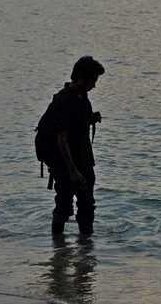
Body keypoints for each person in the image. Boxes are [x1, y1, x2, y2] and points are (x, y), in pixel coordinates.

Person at [37, 56, 104, 235]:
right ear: (81, 78)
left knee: (87, 206)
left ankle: (86, 251)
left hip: (82, 157)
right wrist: (72, 171)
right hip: (64, 161)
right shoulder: (63, 100)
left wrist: (91, 119)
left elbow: (75, 123)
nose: (94, 86)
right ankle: (58, 249)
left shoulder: (82, 97)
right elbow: (61, 138)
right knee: (64, 206)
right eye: (92, 81)